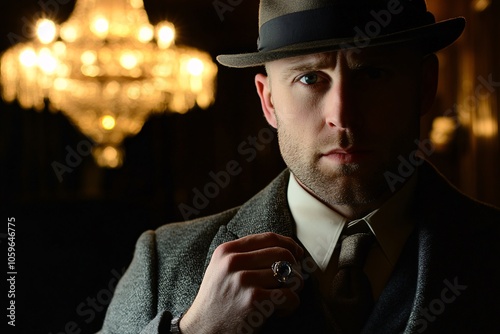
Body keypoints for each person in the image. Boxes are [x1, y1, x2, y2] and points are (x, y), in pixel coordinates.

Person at [98, 0, 500, 333]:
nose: (342, 116)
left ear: (424, 85)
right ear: (268, 100)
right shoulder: (164, 262)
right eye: (310, 78)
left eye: (373, 73)